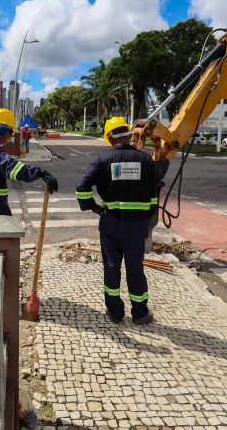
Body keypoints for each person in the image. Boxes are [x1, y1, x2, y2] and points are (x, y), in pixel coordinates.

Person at [75, 116, 159, 325]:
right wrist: (147, 214)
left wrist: (92, 207)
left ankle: (115, 312)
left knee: (111, 268)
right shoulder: (146, 160)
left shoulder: (102, 161)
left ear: (109, 138)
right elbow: (153, 193)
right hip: (137, 227)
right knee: (135, 269)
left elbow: (81, 187)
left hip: (110, 225)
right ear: (130, 135)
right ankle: (140, 313)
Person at [0, 108, 58, 216]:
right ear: (2, 130)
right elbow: (13, 169)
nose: (10, 136)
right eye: (10, 131)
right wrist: (40, 173)